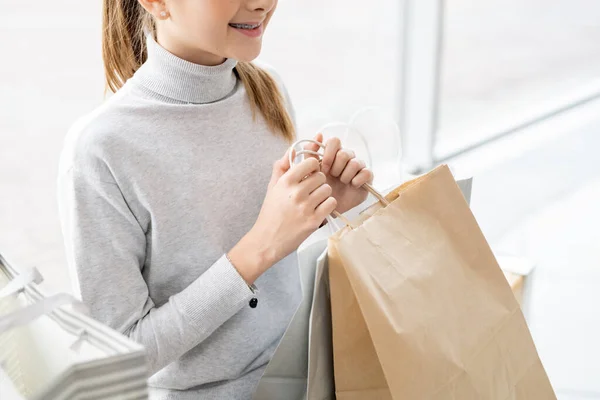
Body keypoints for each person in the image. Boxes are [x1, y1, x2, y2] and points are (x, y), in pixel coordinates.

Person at [56, 0, 373, 398]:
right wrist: (257, 249)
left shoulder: (268, 90)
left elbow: (278, 270)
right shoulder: (102, 149)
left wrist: (322, 206)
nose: (262, 3)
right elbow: (120, 359)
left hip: (311, 375)